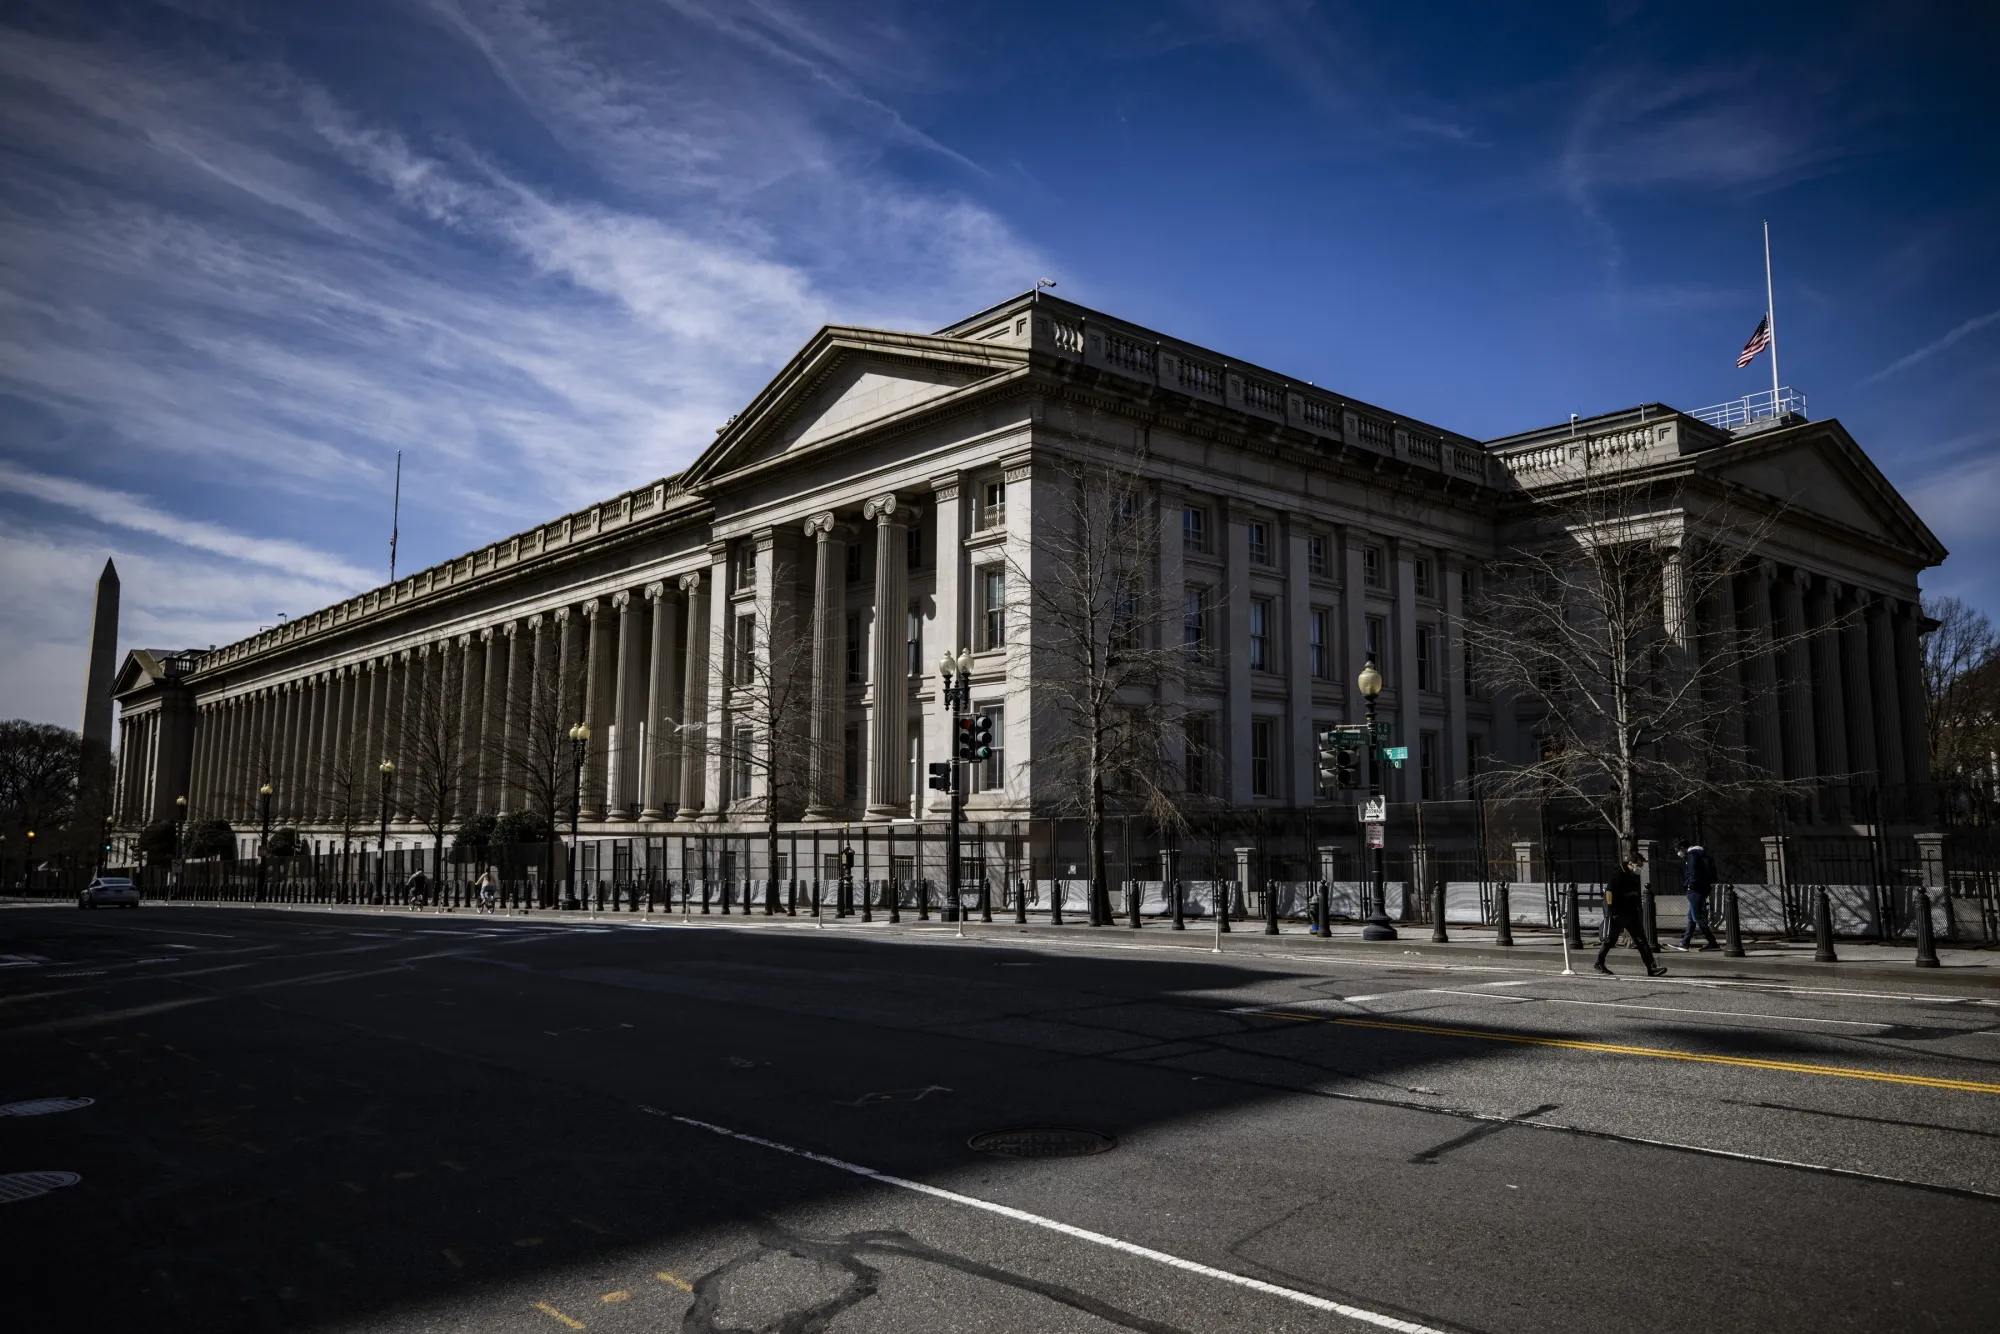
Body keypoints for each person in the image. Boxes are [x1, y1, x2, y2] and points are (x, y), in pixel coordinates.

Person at [1594, 856, 1667, 977]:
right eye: (1639, 865)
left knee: (1641, 940)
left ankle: (1651, 967)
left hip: (1630, 912)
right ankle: (1599, 962)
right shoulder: (1618, 874)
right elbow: (1609, 892)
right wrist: (1611, 912)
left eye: (1641, 866)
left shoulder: (1633, 876)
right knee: (1610, 940)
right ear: (1631, 863)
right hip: (1618, 912)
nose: (1640, 868)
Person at [1677, 842, 1720, 951]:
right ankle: (1684, 943)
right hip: (1703, 889)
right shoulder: (1701, 854)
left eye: (1678, 850)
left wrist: (1690, 885)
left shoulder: (1692, 856)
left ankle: (1712, 943)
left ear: (1682, 848)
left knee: (1697, 918)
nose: (1678, 853)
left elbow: (1693, 873)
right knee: (1691, 918)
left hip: (1695, 890)